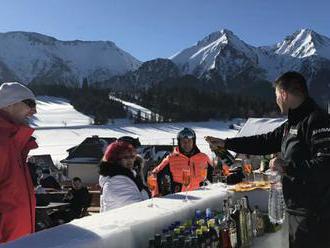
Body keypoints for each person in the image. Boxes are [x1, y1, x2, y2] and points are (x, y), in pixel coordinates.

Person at [205, 71, 330, 247]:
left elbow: (325, 164)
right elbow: (263, 142)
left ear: (284, 94)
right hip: (297, 211)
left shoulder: (317, 120)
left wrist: (286, 167)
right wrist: (226, 143)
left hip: (315, 214)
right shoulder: (293, 123)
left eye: (277, 95)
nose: (276, 100)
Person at [0, 82, 38, 243]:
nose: (34, 111)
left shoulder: (15, 144)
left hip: (19, 240)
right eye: (30, 103)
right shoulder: (3, 143)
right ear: (9, 104)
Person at [152, 128, 213, 196]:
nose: (186, 144)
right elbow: (155, 174)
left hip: (200, 198)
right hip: (180, 200)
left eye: (189, 141)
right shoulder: (171, 158)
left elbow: (213, 175)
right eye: (183, 141)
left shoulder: (204, 157)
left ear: (194, 142)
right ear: (179, 142)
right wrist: (157, 194)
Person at [99, 140, 150, 211]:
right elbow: (137, 210)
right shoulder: (117, 182)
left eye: (132, 156)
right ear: (114, 160)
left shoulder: (127, 176)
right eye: (125, 157)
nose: (130, 160)